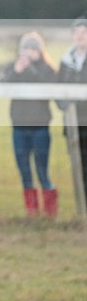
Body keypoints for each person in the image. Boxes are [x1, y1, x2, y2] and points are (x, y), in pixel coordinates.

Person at [0, 32, 58, 217]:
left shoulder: (47, 69)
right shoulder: (13, 67)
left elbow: (48, 88)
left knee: (42, 172)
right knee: (25, 172)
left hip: (40, 128)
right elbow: (1, 86)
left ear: (40, 51)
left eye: (33, 49)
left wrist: (30, 69)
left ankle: (50, 213)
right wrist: (16, 71)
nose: (29, 52)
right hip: (19, 127)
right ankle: (32, 212)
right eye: (26, 48)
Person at [57, 15, 87, 211]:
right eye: (77, 33)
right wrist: (64, 104)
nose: (80, 36)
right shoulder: (66, 62)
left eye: (84, 33)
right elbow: (59, 90)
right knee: (79, 168)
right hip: (74, 125)